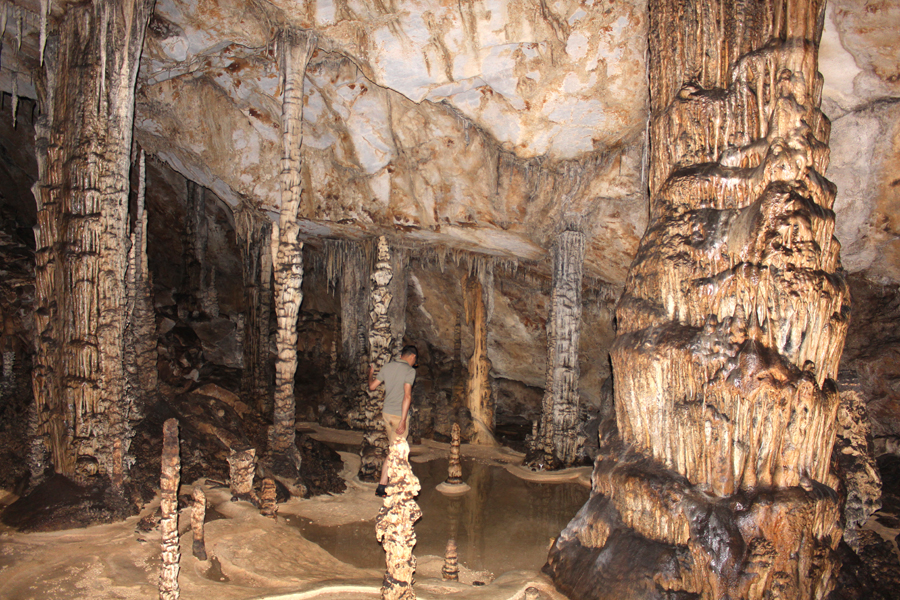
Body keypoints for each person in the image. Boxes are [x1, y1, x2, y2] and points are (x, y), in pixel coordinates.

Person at [368, 344, 418, 497]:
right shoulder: (410, 371)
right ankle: (395, 486)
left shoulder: (387, 367)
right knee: (399, 452)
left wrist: (370, 373)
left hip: (386, 414)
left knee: (393, 450)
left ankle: (382, 486)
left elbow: (372, 387)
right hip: (398, 416)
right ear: (412, 357)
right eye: (414, 360)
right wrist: (403, 420)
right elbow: (407, 396)